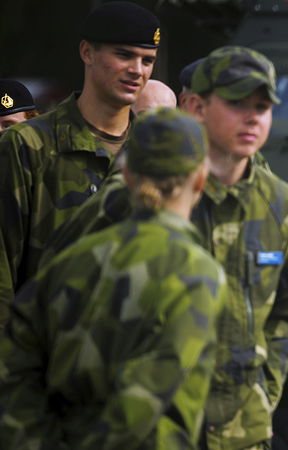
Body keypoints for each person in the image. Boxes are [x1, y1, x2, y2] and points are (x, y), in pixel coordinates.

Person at [34, 45, 288, 449]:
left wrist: (263, 388)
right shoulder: (133, 193)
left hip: (240, 433)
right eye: (238, 103)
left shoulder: (280, 203)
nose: (253, 116)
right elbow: (63, 295)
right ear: (196, 107)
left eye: (263, 105)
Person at [0, 107, 227, 449]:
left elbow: (14, 364)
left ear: (129, 177)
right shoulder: (196, 273)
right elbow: (145, 400)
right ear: (200, 180)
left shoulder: (72, 257)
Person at [0, 1, 160, 325]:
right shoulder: (27, 146)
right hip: (48, 363)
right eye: (124, 55)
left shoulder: (160, 152)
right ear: (87, 52)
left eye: (147, 60)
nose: (137, 70)